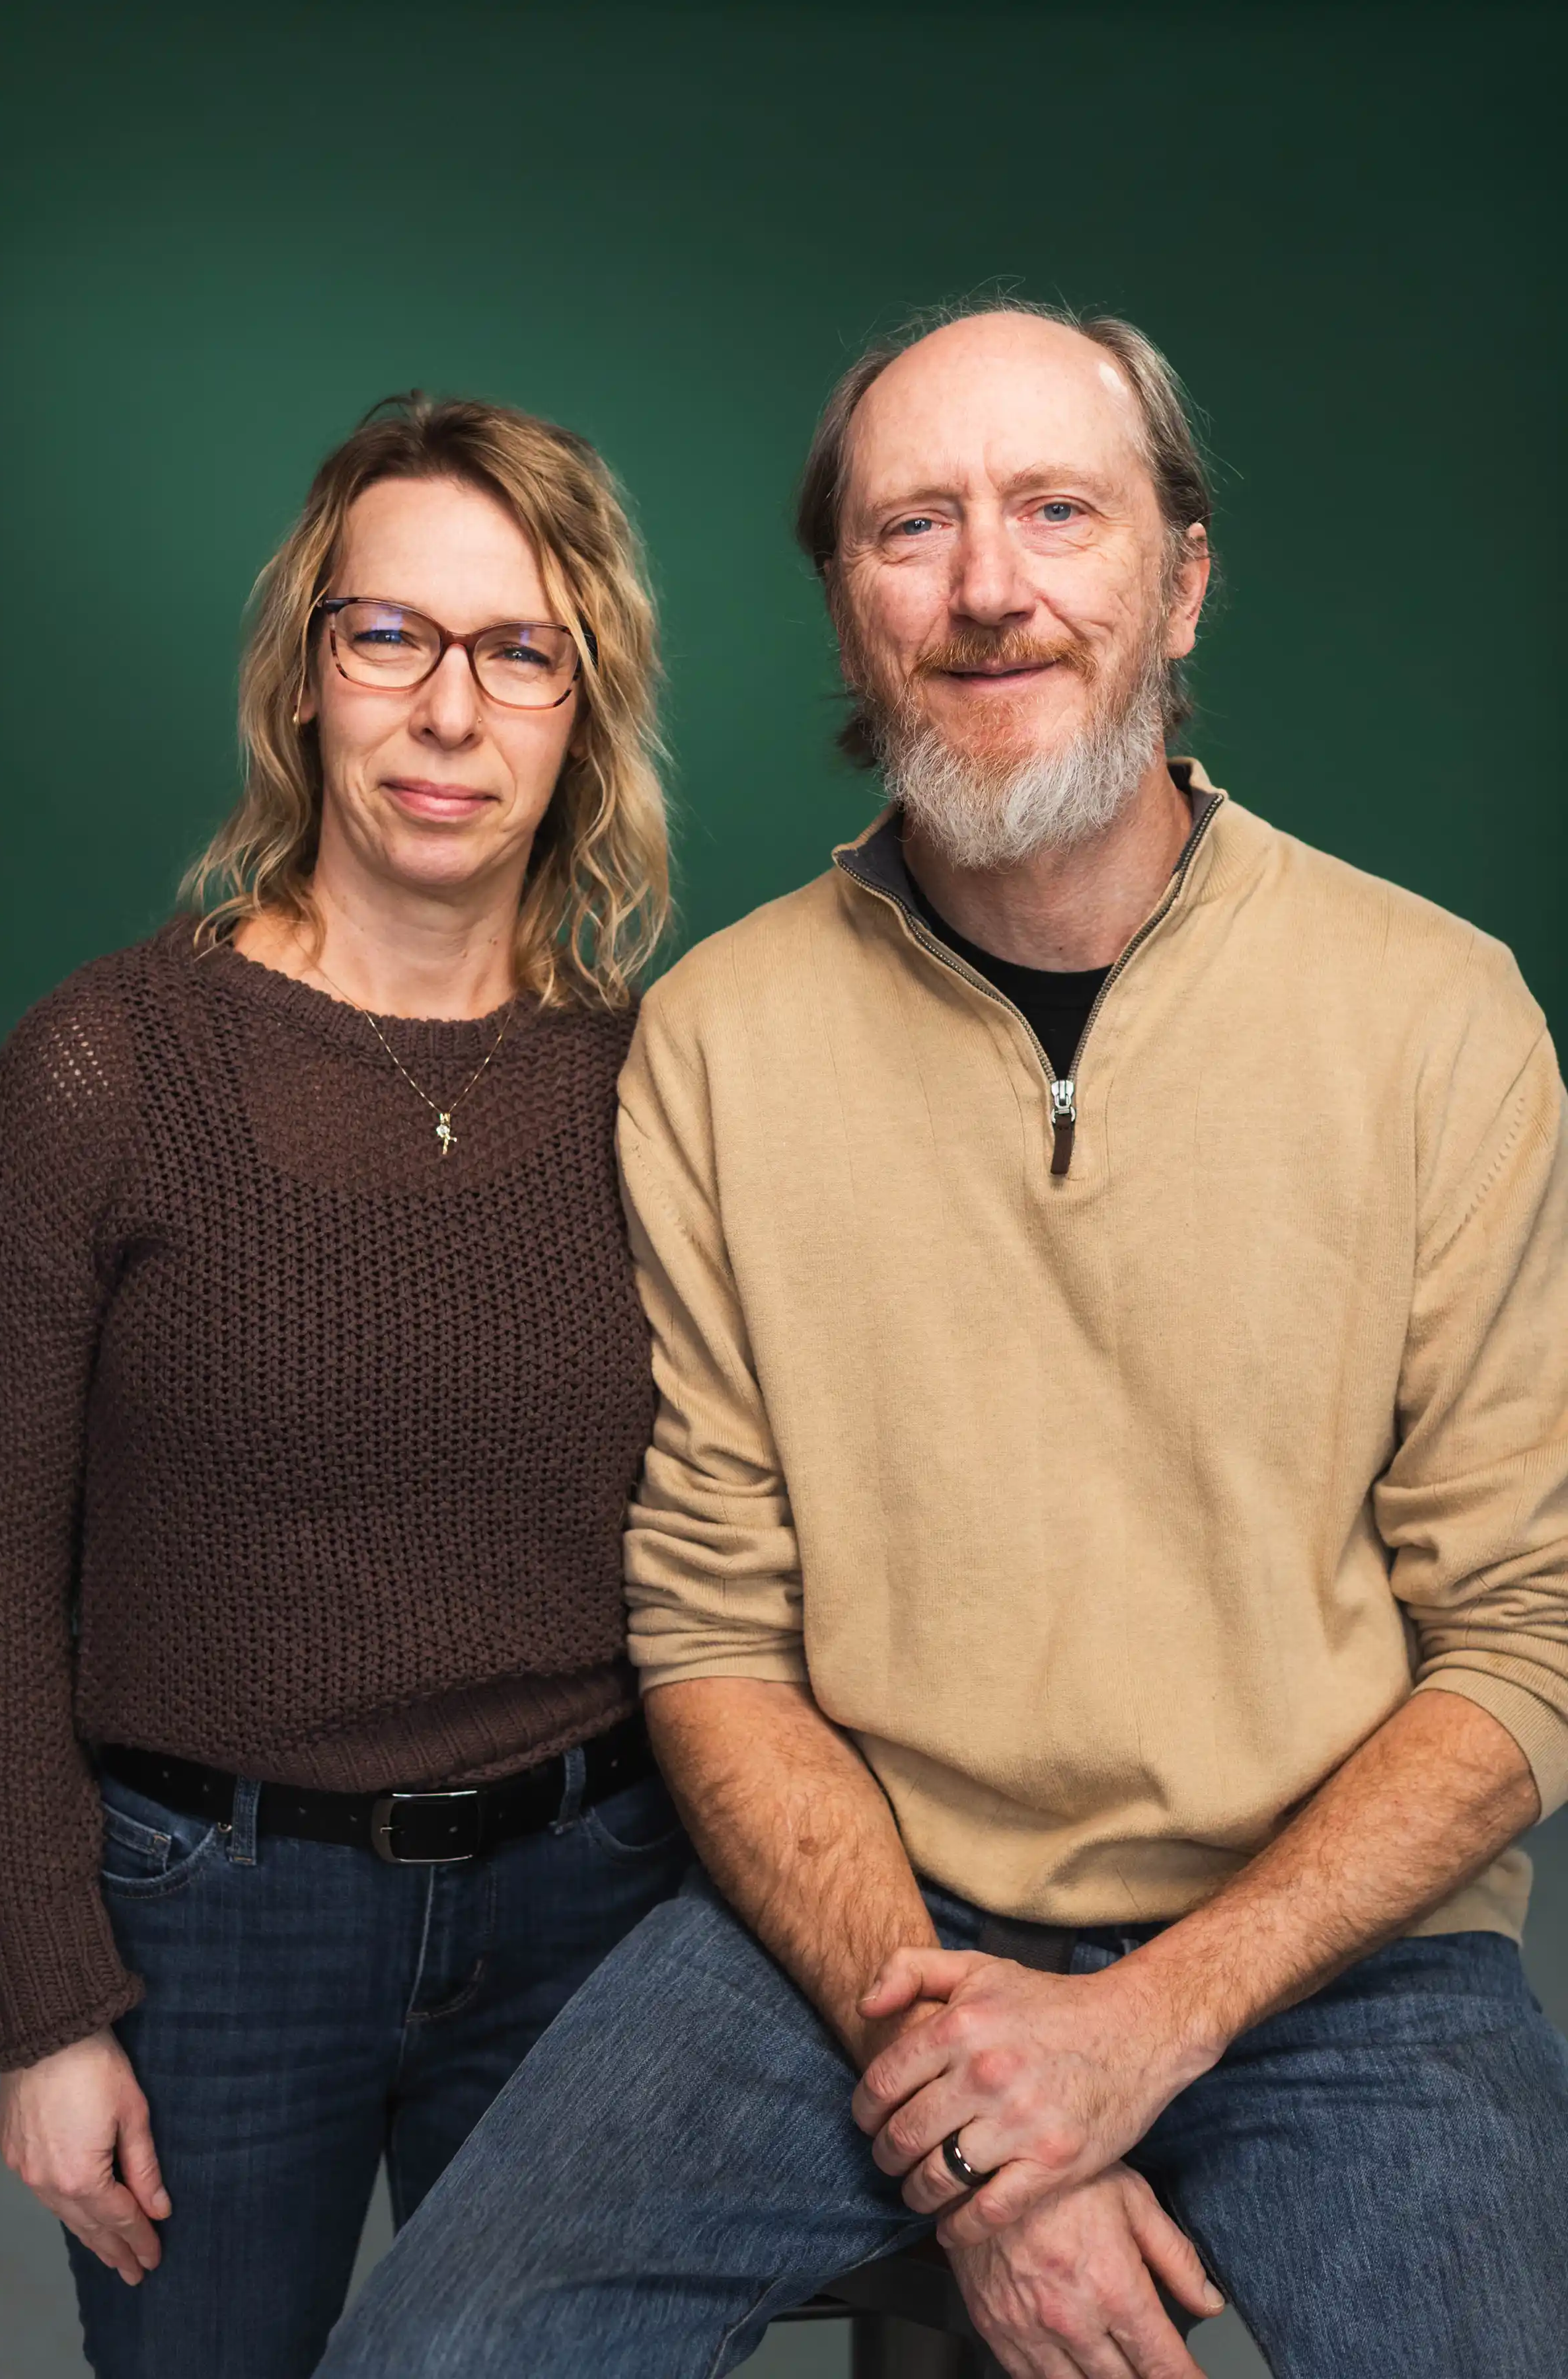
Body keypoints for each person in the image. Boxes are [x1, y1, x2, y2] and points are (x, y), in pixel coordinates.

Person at [316, 305, 1568, 2379]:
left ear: (1177, 580)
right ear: (846, 601)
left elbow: (1524, 1641)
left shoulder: (1440, 1019)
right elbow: (711, 1626)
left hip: (1337, 1957)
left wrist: (1140, 2028)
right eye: (916, 527)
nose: (989, 588)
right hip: (858, 1935)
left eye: (1057, 512)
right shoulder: (722, 1037)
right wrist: (984, 2104)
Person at [0, 392, 691, 2379]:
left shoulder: (669, 1085)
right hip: (213, 1920)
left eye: (519, 650)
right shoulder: (105, 1072)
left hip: (594, 1901)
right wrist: (43, 2013)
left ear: (582, 708)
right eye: (391, 636)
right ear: (307, 680)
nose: (449, 712)